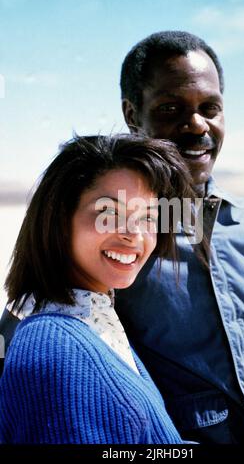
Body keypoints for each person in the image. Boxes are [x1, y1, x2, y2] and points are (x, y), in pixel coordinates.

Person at [115, 31, 244, 444]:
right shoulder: (111, 234)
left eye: (209, 108)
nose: (197, 124)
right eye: (171, 108)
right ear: (132, 115)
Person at [0, 133, 193, 444]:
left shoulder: (93, 322)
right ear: (60, 219)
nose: (134, 234)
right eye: (110, 213)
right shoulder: (54, 348)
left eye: (148, 217)